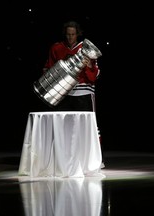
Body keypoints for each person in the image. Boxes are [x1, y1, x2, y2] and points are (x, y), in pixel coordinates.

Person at [42, 20, 104, 167]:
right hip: (64, 93)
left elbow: (95, 75)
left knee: (90, 127)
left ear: (78, 34)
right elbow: (48, 68)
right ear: (65, 34)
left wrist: (90, 66)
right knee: (63, 126)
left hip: (84, 92)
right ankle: (63, 160)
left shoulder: (86, 48)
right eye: (68, 34)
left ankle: (96, 160)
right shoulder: (56, 48)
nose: (70, 37)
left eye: (73, 34)